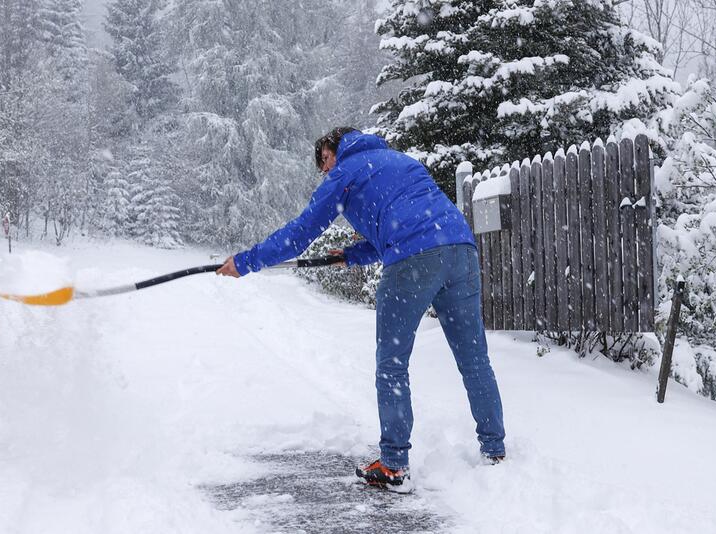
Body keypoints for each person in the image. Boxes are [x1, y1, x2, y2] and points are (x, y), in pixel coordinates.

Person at [216, 127, 505, 493]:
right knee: (474, 359)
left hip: (412, 262)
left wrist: (246, 262)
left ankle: (394, 462)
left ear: (336, 150)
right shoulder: (401, 161)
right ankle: (494, 451)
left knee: (392, 364)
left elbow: (302, 232)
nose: (323, 171)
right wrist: (352, 255)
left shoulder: (345, 172)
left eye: (323, 160)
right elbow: (400, 223)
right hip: (461, 251)